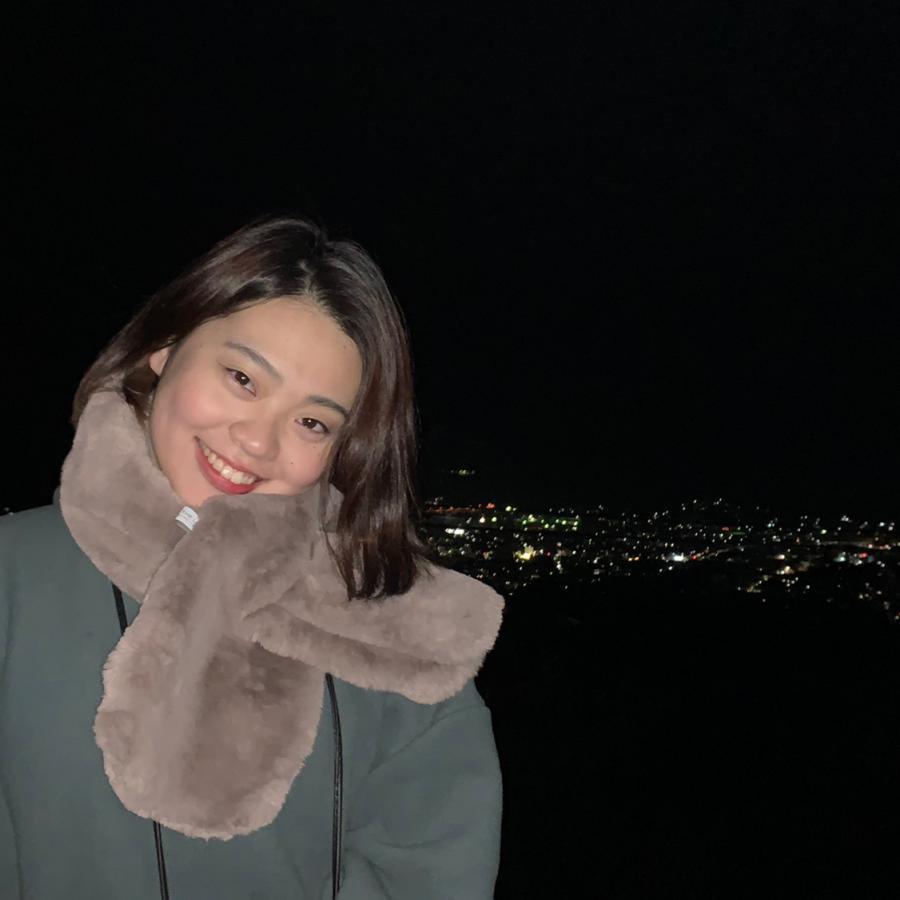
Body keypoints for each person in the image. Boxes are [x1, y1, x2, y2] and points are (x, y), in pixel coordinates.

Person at [0, 216, 504, 899]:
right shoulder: (14, 581)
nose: (259, 442)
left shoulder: (395, 636)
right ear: (164, 348)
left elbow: (430, 870)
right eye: (242, 378)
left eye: (311, 422)